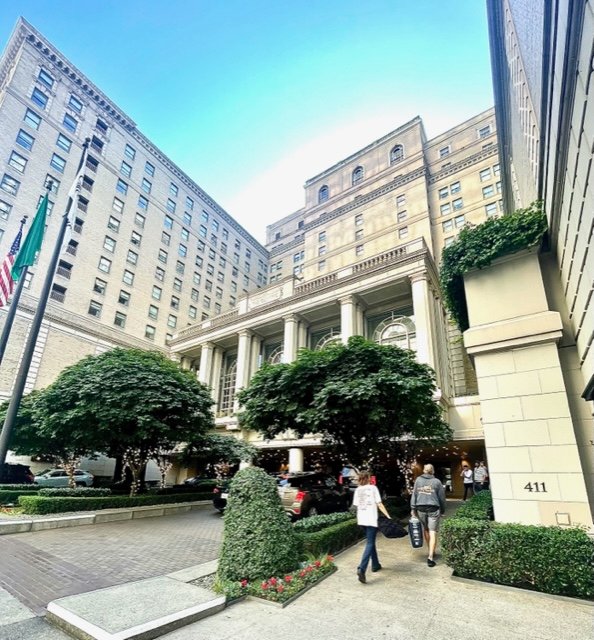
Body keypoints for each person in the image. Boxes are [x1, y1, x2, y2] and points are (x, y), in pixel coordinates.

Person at [353, 470, 391, 583]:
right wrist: (388, 516)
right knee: (369, 543)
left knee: (371, 541)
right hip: (371, 519)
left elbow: (356, 505)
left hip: (361, 519)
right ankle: (362, 568)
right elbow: (379, 504)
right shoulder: (373, 488)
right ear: (368, 478)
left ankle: (375, 565)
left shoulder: (358, 490)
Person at [410, 463, 446, 567]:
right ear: (433, 471)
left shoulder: (418, 480)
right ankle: (430, 556)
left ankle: (430, 549)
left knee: (426, 529)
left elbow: (414, 494)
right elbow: (442, 498)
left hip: (420, 508)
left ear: (424, 470)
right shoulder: (437, 482)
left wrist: (413, 509)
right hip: (433, 508)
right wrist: (442, 510)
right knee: (433, 531)